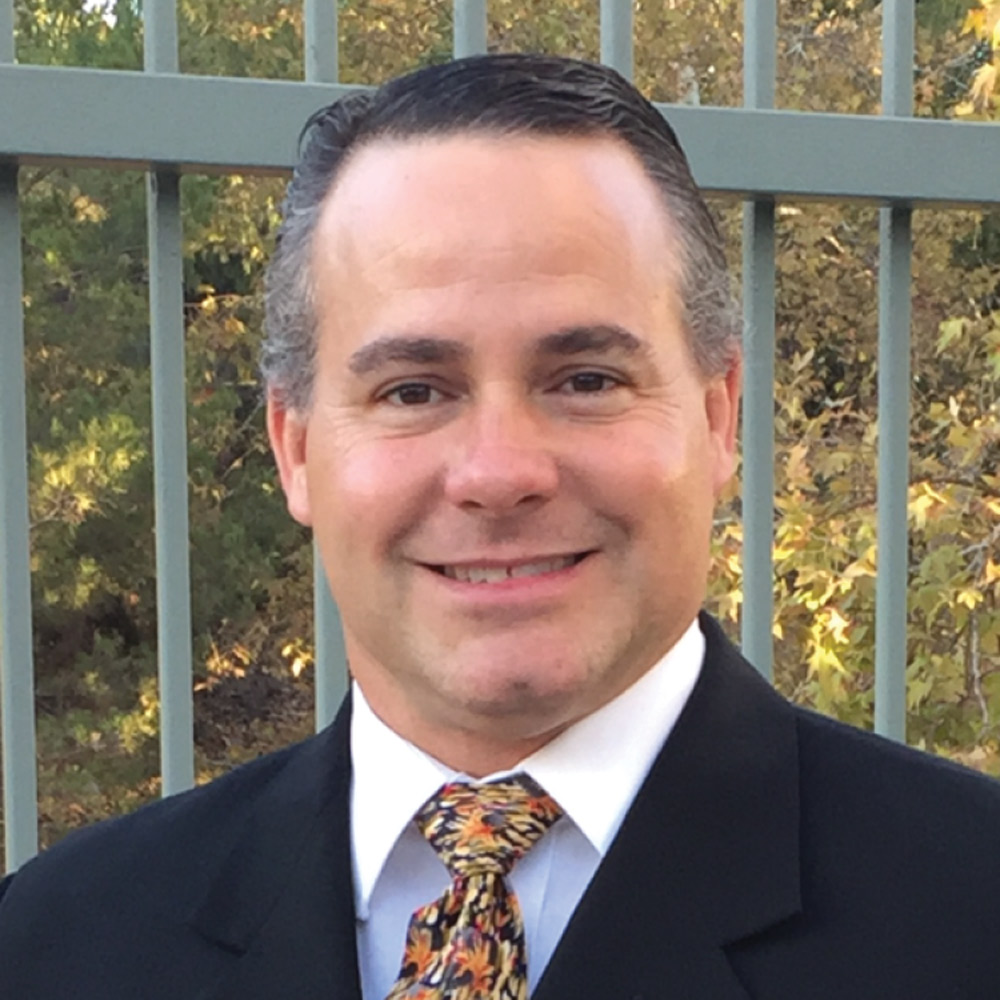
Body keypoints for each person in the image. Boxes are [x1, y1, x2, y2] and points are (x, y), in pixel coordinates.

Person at [2, 52, 999, 1000]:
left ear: (717, 417)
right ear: (295, 449)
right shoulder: (56, 943)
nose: (499, 473)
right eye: (413, 390)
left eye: (586, 380)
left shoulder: (970, 913)